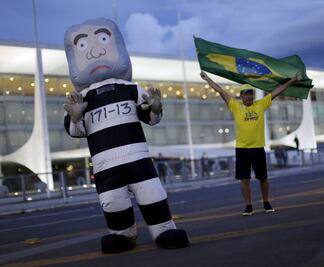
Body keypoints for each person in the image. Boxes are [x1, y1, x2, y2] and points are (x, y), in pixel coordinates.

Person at [63, 18, 188, 253]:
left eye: (103, 40)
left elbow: (149, 118)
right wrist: (77, 115)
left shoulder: (130, 88)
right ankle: (123, 234)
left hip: (138, 158)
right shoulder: (81, 98)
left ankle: (163, 229)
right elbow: (75, 131)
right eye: (82, 46)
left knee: (151, 192)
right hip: (105, 166)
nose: (96, 50)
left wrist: (155, 107)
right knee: (112, 200)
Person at [200, 71, 299, 216]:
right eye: (246, 94)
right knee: (244, 179)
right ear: (241, 96)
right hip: (242, 149)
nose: (249, 96)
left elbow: (276, 92)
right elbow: (220, 90)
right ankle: (248, 206)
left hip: (258, 148)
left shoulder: (260, 105)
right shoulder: (235, 106)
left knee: (263, 178)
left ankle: (266, 202)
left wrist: (292, 81)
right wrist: (207, 78)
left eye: (251, 93)